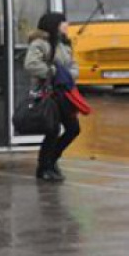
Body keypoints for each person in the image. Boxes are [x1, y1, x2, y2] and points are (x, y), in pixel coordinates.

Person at [25, 12, 81, 182]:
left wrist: (69, 74)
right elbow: (31, 64)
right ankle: (44, 167)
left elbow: (73, 67)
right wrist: (53, 72)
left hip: (64, 94)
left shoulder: (64, 44)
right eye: (63, 22)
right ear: (54, 24)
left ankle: (52, 160)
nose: (66, 25)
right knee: (52, 130)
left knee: (73, 129)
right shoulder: (40, 44)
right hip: (49, 94)